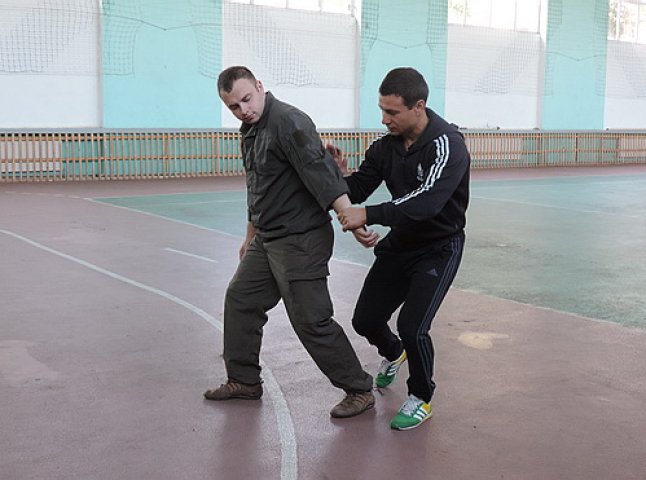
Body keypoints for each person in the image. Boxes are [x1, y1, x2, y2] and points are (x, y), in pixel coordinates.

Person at [203, 66, 374, 419]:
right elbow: (257, 186)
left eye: (247, 99)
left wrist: (349, 219)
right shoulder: (249, 131)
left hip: (302, 239)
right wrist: (250, 236)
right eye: (234, 106)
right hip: (268, 238)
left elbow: (321, 173)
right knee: (240, 299)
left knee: (311, 319)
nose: (243, 110)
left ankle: (358, 388)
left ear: (260, 87)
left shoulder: (290, 122)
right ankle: (244, 381)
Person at [332, 67, 470, 430]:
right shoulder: (386, 146)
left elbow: (426, 202)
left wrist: (370, 214)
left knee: (413, 326)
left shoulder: (447, 144)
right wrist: (337, 175)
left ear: (418, 107)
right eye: (382, 109)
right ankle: (394, 354)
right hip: (402, 244)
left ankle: (421, 397)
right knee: (365, 320)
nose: (384, 118)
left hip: (439, 248)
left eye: (392, 112)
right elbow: (358, 188)